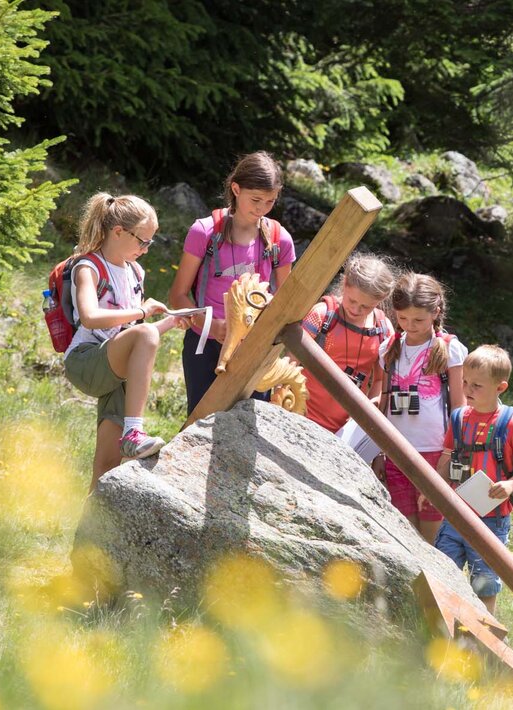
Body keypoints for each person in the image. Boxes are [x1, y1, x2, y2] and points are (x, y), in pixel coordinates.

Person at [62, 193, 186, 488]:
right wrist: (143, 312)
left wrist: (172, 321)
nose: (145, 249)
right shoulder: (88, 268)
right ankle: (134, 433)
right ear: (118, 232)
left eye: (150, 242)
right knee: (144, 331)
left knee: (106, 467)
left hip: (116, 369)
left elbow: (134, 336)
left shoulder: (135, 273)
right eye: (142, 241)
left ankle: (89, 531)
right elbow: (91, 317)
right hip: (86, 359)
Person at [167, 151, 296, 413]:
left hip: (254, 349)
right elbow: (178, 296)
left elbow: (288, 305)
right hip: (205, 343)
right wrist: (212, 327)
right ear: (236, 189)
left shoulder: (279, 240)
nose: (261, 209)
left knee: (248, 424)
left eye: (270, 201)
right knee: (201, 419)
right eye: (255, 199)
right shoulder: (204, 232)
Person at [433, 345, 513, 615]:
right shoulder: (459, 418)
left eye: (477, 385)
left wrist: (511, 485)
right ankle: (446, 631)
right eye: (464, 382)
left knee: (485, 584)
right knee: (442, 572)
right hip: (455, 512)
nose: (467, 389)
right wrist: (432, 486)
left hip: (491, 518)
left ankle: (483, 640)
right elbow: (448, 456)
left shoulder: (510, 423)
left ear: (500, 388)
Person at [374, 273, 466, 543]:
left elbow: (459, 408)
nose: (410, 326)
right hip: (397, 454)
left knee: (432, 535)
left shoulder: (449, 349)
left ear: (435, 312)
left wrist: (449, 455)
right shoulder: (388, 349)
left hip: (436, 453)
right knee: (407, 533)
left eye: (418, 320)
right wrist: (379, 451)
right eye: (403, 319)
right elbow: (381, 402)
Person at [299, 252, 395, 438]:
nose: (356, 309)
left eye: (366, 307)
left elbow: (380, 380)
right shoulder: (321, 315)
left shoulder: (383, 330)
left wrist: (371, 407)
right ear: (344, 284)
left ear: (380, 300)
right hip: (301, 415)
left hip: (344, 433)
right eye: (352, 300)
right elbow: (290, 363)